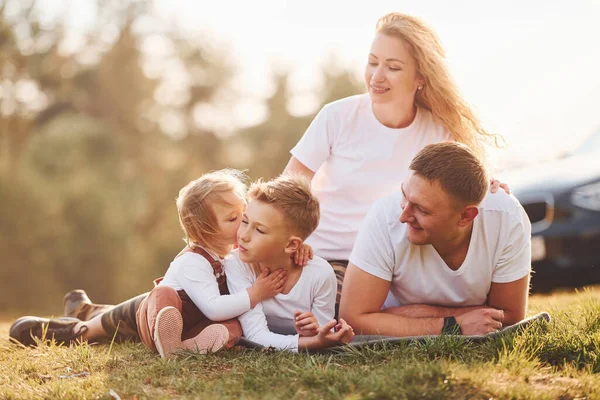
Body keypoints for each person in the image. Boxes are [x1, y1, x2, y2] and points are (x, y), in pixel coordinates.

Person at [283, 12, 506, 309]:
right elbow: (286, 191)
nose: (376, 76)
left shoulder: (438, 131)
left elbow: (465, 187)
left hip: (402, 261)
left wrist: (489, 184)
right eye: (373, 62)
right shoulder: (337, 116)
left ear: (420, 79)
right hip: (332, 258)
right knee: (339, 311)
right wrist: (291, 240)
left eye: (393, 67)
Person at [9, 169, 297, 359]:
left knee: (229, 324)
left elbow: (274, 244)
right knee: (159, 299)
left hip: (194, 325)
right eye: (234, 219)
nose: (245, 225)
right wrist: (256, 293)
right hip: (161, 313)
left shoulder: (236, 252)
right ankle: (78, 330)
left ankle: (85, 311)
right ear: (205, 232)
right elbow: (212, 305)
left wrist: (299, 246)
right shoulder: (193, 263)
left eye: (245, 215)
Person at [339, 142, 531, 337]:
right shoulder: (384, 217)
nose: (403, 216)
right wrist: (451, 324)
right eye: (404, 195)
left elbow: (510, 315)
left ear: (465, 216)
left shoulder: (506, 218)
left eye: (422, 210)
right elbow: (353, 318)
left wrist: (416, 314)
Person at [225, 174, 354, 351]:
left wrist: (311, 333)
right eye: (245, 221)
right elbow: (255, 335)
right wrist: (312, 342)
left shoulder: (320, 274)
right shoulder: (237, 263)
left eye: (260, 230)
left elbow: (322, 336)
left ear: (292, 244)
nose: (244, 235)